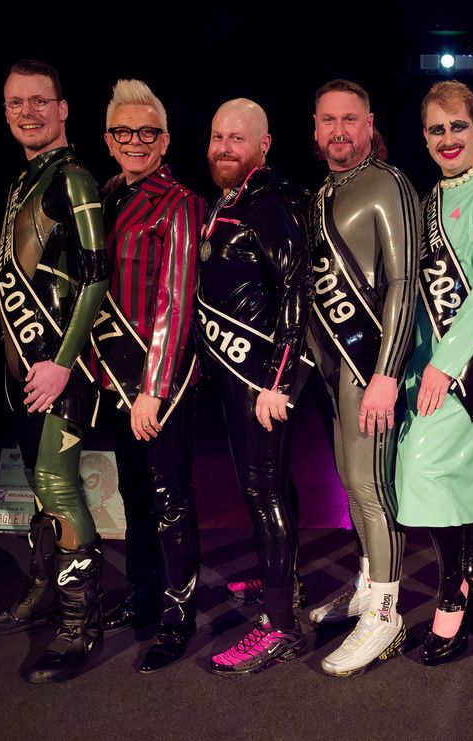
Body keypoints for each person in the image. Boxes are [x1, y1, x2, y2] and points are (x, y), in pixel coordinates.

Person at [0, 59, 110, 683]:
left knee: (58, 486)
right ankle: (45, 592)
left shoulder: (74, 178)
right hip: (22, 366)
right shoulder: (22, 181)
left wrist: (61, 362)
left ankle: (82, 626)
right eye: (14, 103)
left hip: (61, 366)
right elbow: (36, 266)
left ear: (62, 109)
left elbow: (96, 276)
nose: (26, 112)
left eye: (38, 101)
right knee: (37, 484)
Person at [395, 80, 473, 666]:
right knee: (451, 484)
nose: (447, 139)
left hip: (469, 365)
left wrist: (445, 366)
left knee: (424, 471)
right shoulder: (425, 201)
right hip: (426, 367)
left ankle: (449, 601)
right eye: (435, 129)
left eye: (457, 127)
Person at [302, 79, 421, 676]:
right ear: (315, 126)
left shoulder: (389, 182)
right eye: (329, 120)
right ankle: (370, 584)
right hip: (333, 368)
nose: (340, 131)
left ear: (370, 124)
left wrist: (387, 373)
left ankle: (387, 614)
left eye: (351, 119)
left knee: (373, 489)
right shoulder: (324, 191)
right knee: (353, 485)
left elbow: (404, 282)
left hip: (368, 364)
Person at [89, 79, 205, 672]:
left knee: (168, 498)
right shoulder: (104, 196)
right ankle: (141, 597)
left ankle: (178, 613)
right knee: (133, 495)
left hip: (156, 384)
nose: (135, 142)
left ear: (164, 139)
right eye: (123, 132)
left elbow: (176, 300)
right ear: (109, 139)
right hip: (110, 375)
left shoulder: (179, 201)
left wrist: (152, 389)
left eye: (147, 132)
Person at [197, 99, 313, 676]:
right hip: (233, 376)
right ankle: (282, 584)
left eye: (235, 138)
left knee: (263, 492)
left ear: (263, 145)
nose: (223, 147)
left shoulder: (269, 206)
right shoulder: (230, 201)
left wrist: (277, 381)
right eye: (217, 136)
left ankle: (280, 627)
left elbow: (297, 294)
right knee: (267, 489)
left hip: (259, 379)